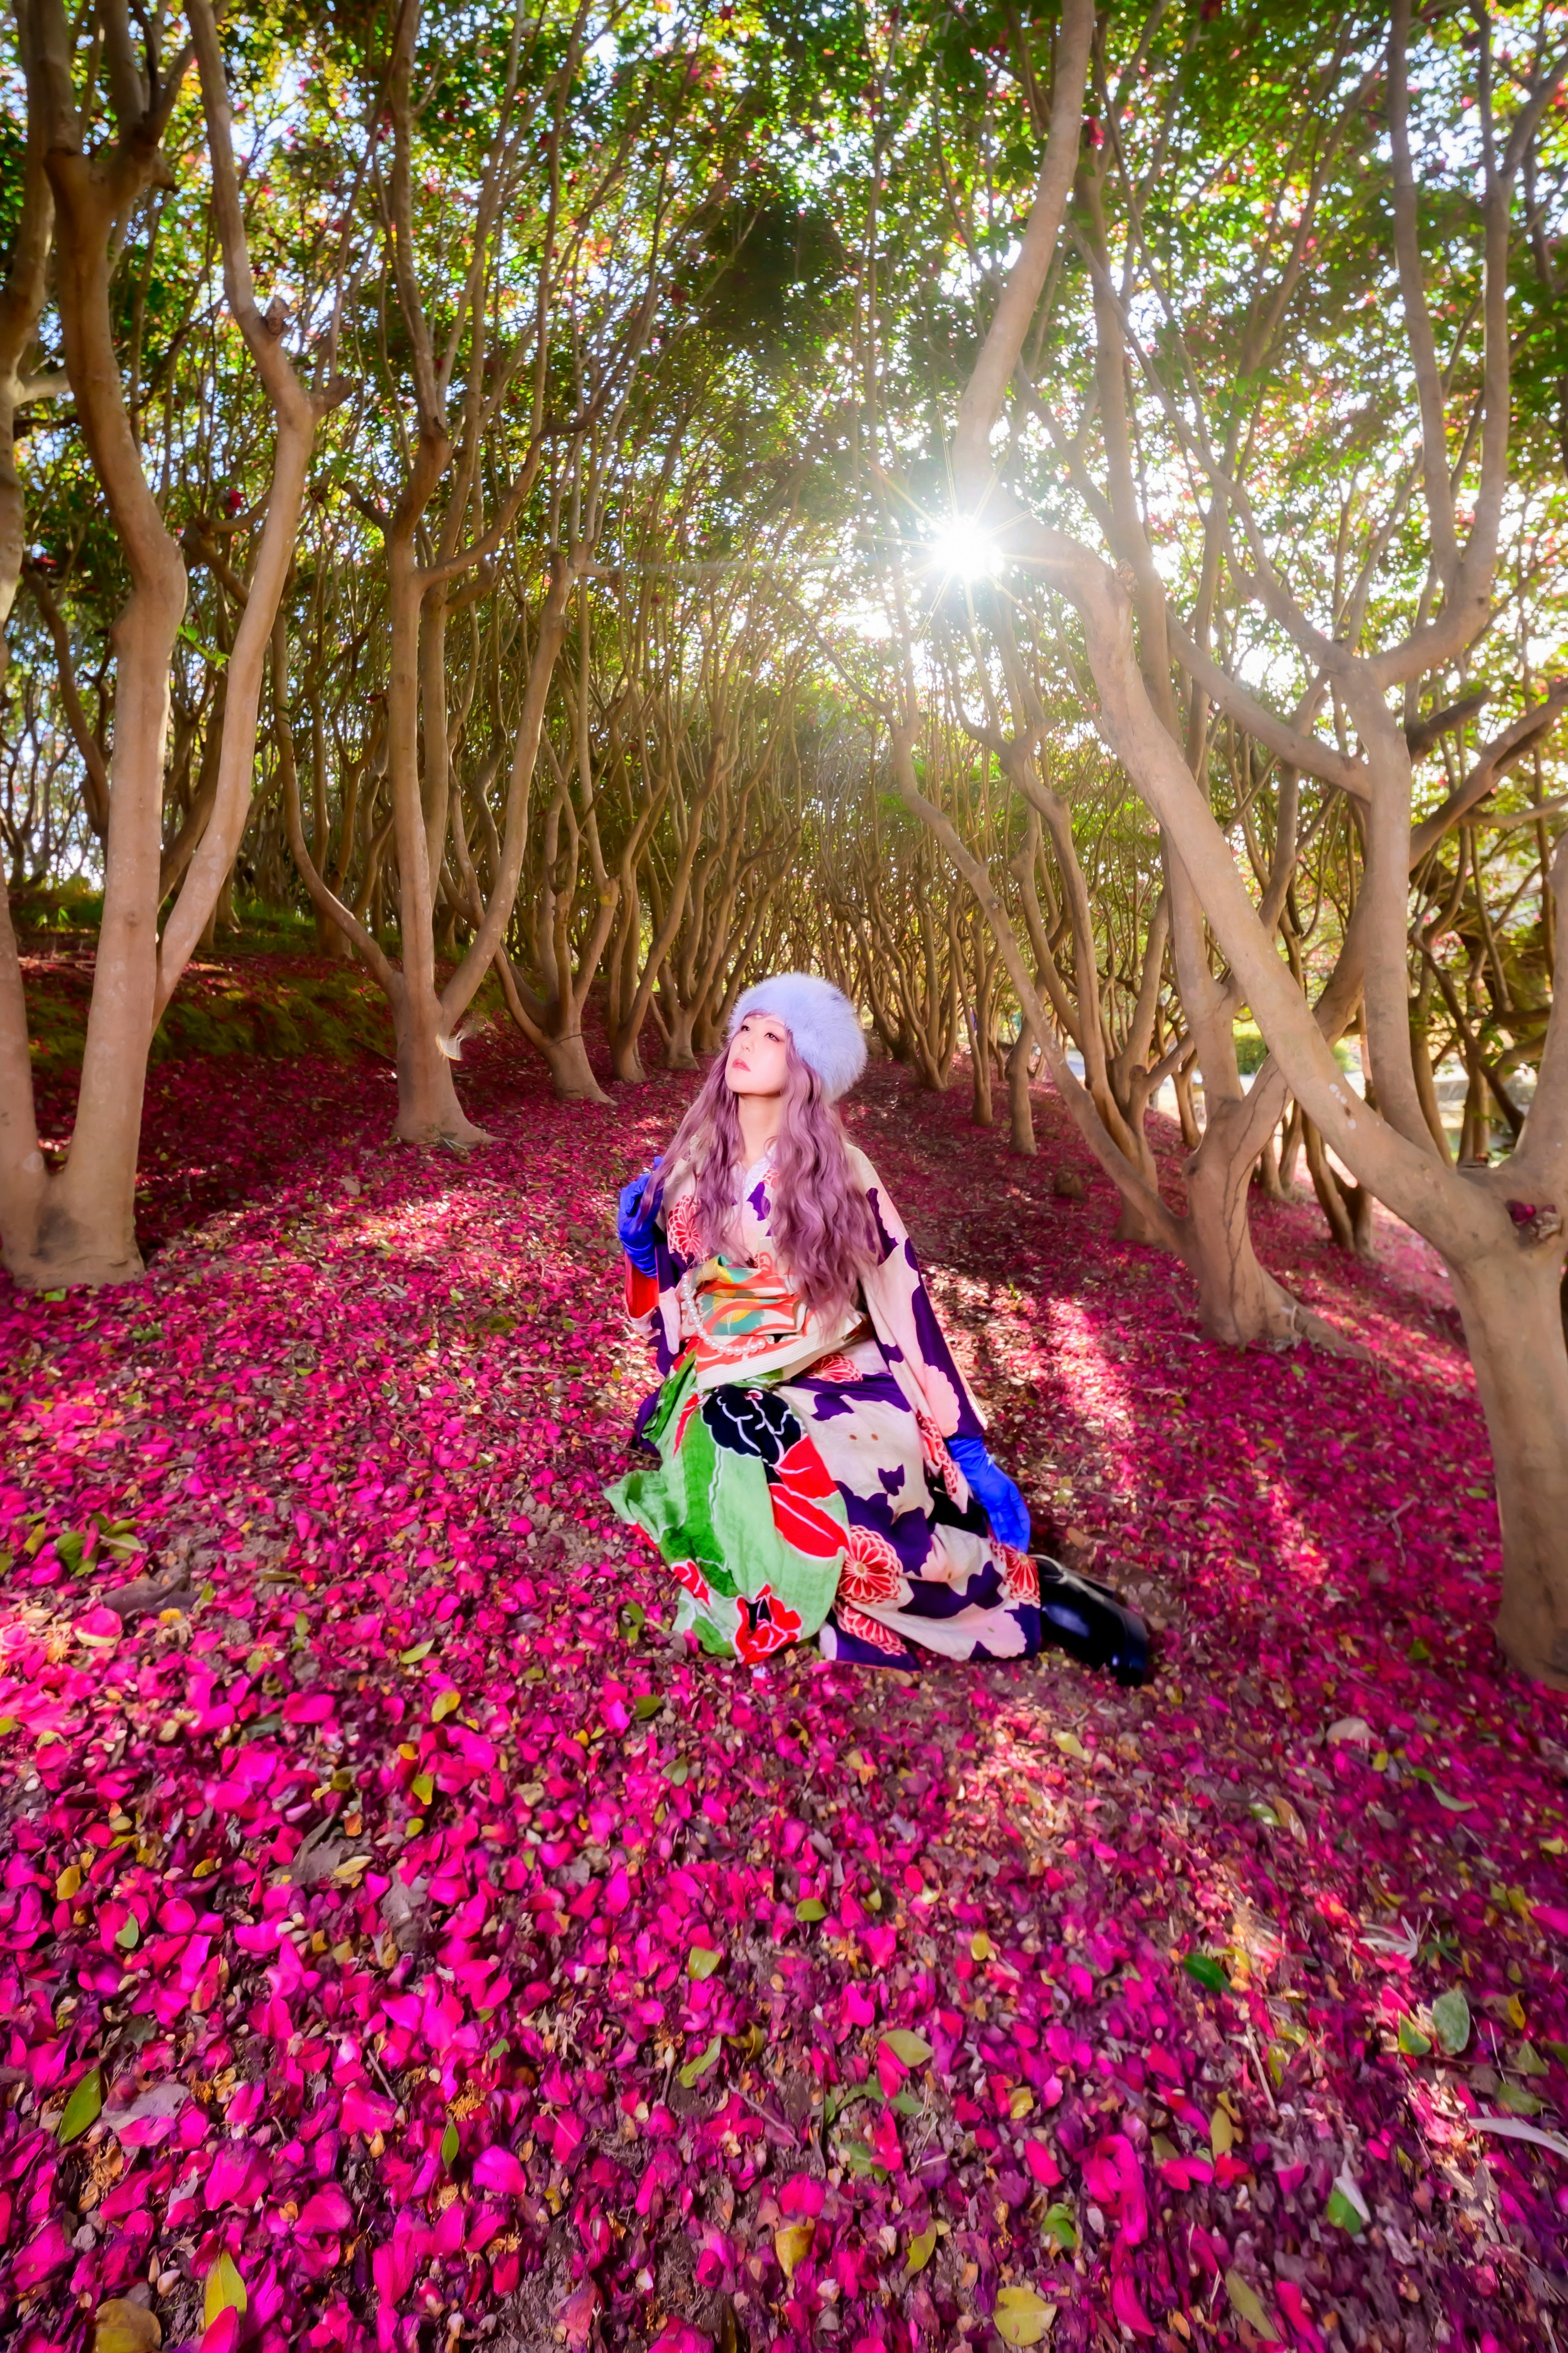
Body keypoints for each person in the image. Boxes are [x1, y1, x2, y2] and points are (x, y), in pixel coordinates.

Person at [606, 972, 1147, 1679]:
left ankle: (1032, 1585)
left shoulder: (842, 1173)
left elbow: (904, 1299)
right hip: (724, 1381)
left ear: (806, 1071)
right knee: (763, 1494)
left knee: (860, 1491)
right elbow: (678, 1301)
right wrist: (644, 1250)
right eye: (747, 1027)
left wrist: (966, 1443)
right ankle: (1013, 1588)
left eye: (775, 1036)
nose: (750, 1043)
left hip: (835, 1365)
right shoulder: (688, 1166)